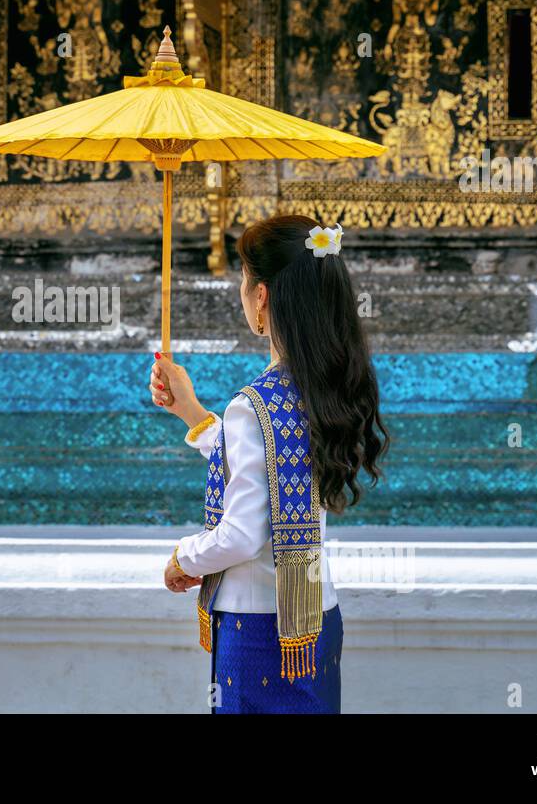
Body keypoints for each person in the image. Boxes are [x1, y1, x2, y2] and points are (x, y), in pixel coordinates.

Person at [150, 214, 389, 714]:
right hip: (313, 618)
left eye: (243, 279)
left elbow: (239, 536)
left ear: (261, 298)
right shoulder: (323, 388)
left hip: (255, 629)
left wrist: (183, 558)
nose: (241, 291)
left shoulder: (256, 404)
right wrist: (191, 413)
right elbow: (271, 467)